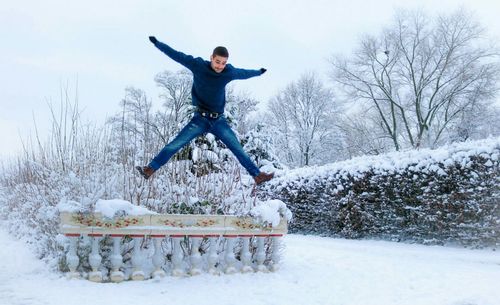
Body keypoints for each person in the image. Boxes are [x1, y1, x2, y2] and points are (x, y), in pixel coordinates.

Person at [136, 36, 274, 185]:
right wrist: (157, 44)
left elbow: (244, 73)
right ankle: (150, 169)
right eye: (217, 61)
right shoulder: (198, 66)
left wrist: (258, 72)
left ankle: (257, 175)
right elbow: (176, 55)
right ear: (211, 58)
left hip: (219, 121)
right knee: (176, 144)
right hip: (200, 119)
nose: (220, 66)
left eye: (223, 63)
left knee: (237, 149)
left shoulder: (228, 72)